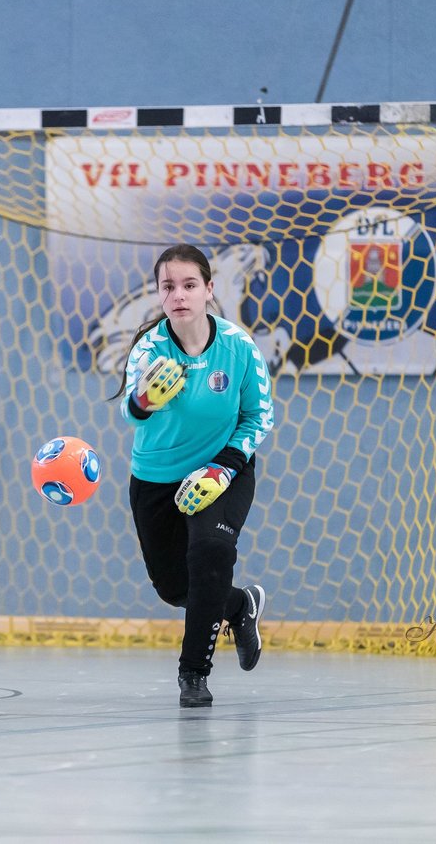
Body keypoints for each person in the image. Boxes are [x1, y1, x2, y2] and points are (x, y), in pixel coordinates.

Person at [111, 243, 276, 708]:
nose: (179, 295)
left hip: (221, 467)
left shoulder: (238, 346)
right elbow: (132, 415)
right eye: (169, 287)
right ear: (159, 295)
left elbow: (259, 417)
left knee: (210, 553)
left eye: (189, 285)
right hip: (157, 477)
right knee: (175, 588)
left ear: (208, 289)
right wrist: (144, 399)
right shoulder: (150, 347)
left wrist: (223, 468)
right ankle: (240, 606)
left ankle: (193, 675)